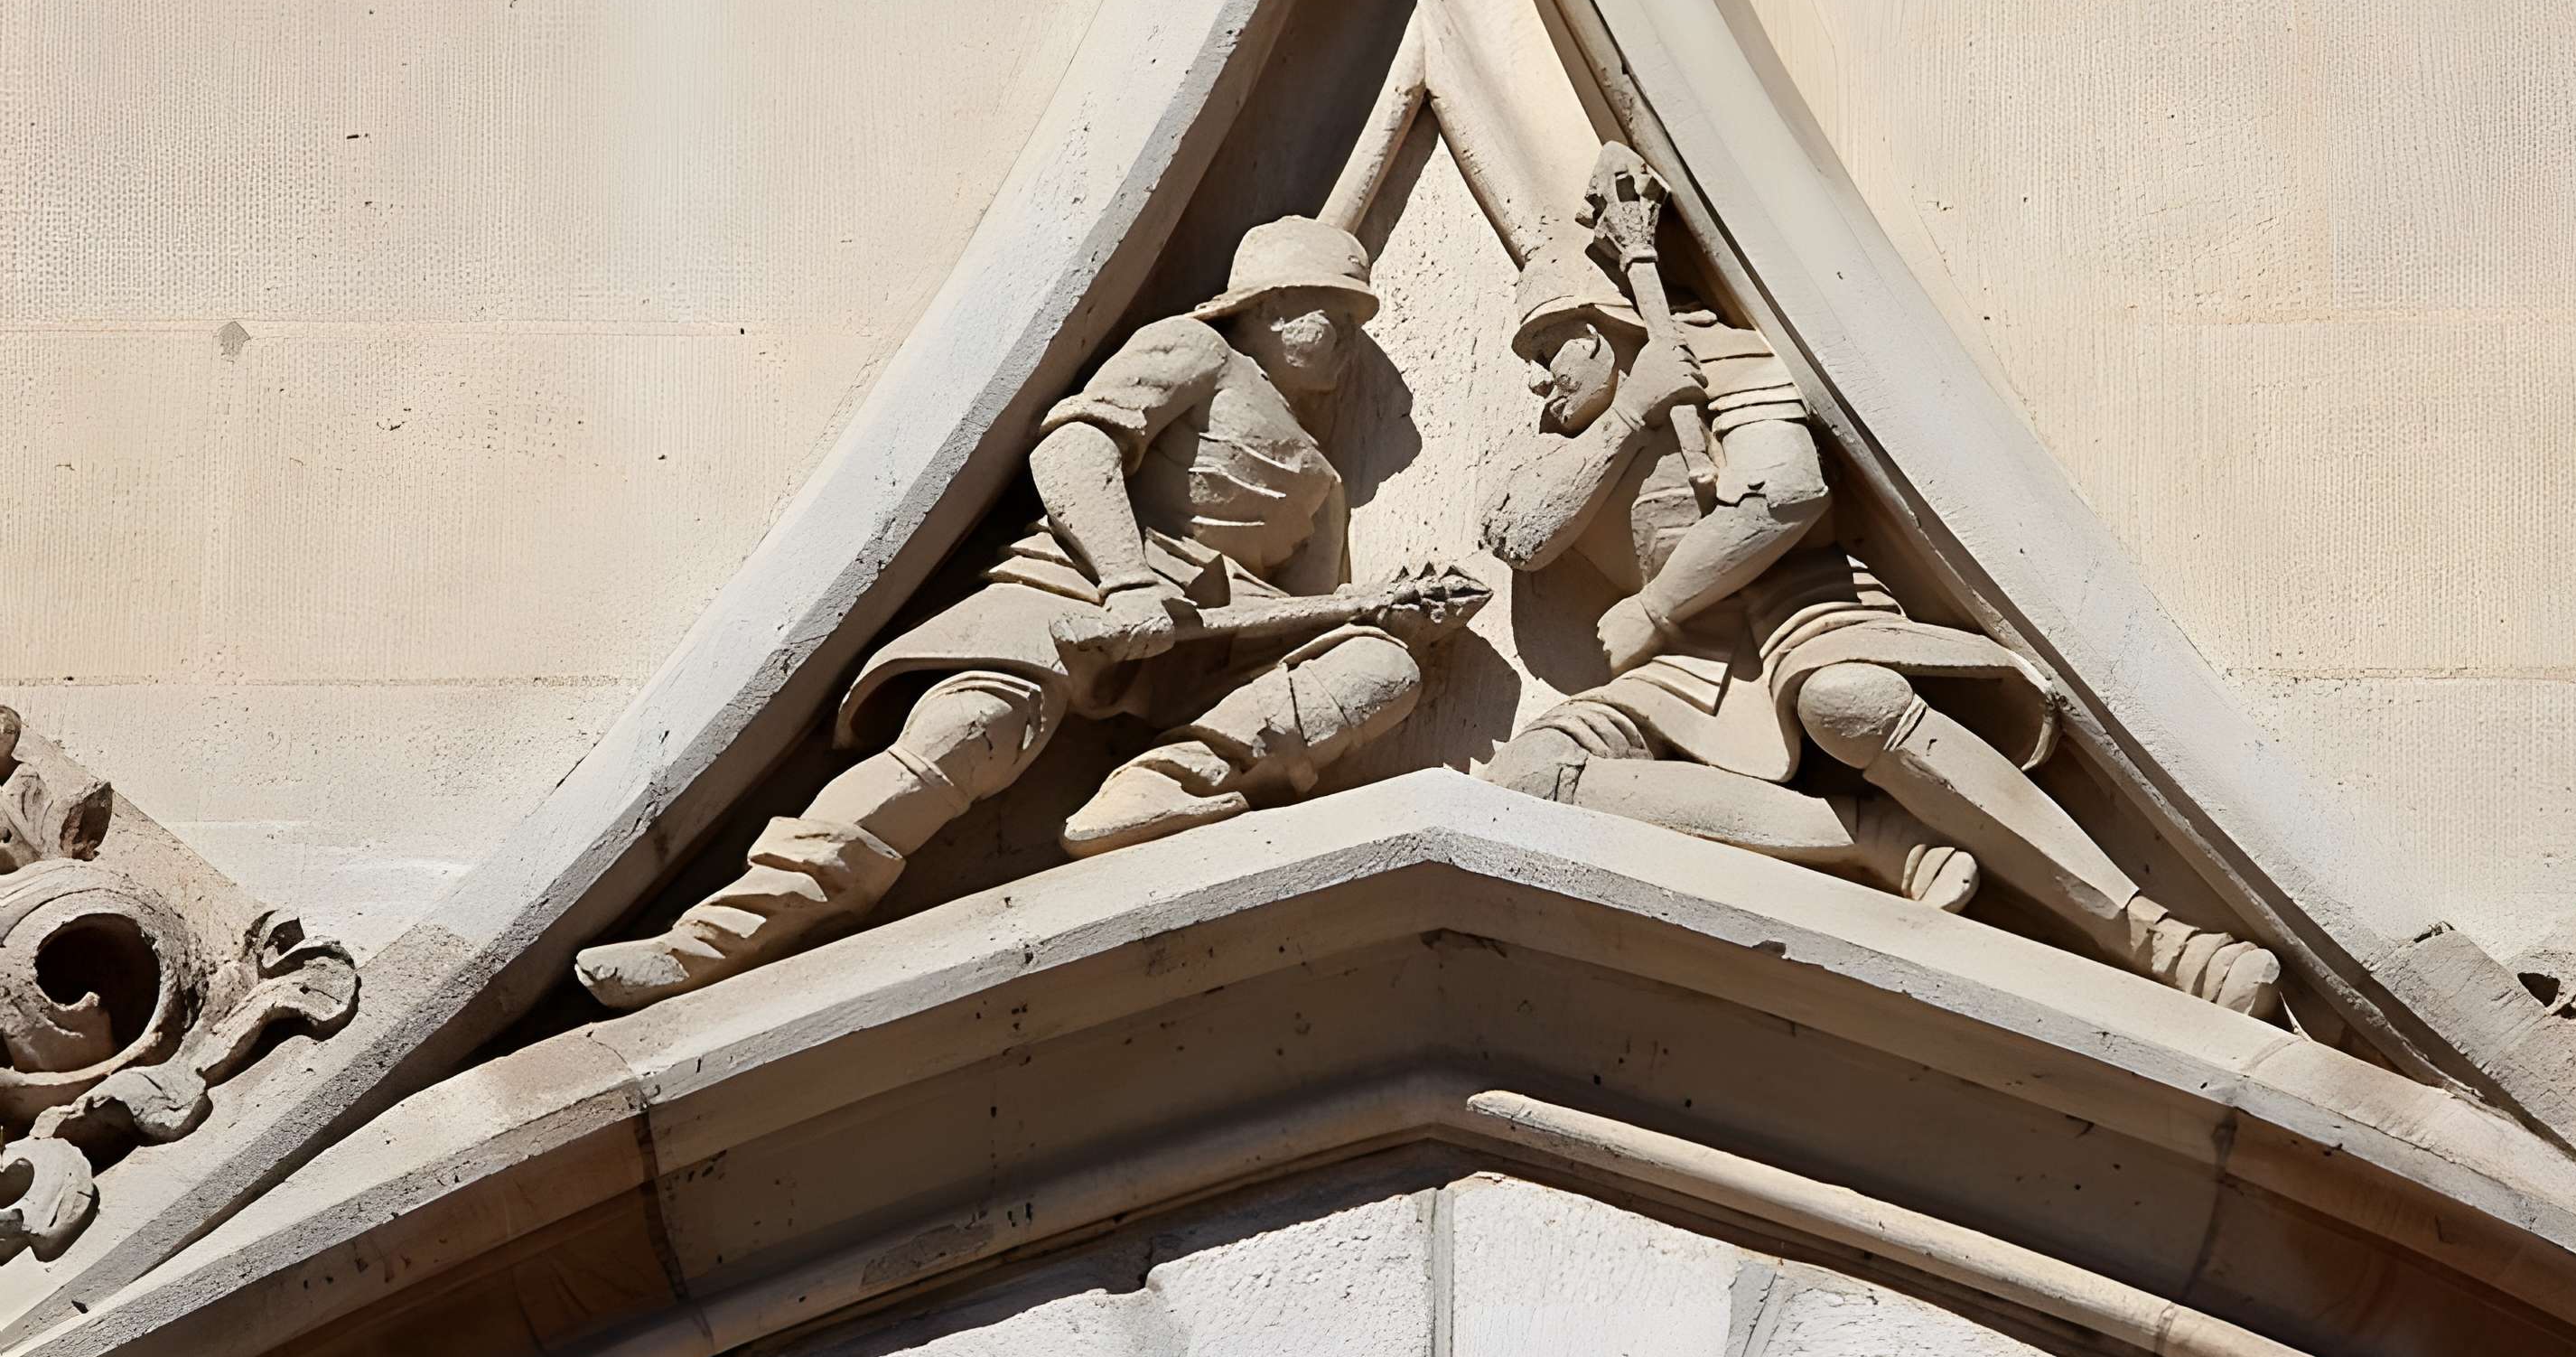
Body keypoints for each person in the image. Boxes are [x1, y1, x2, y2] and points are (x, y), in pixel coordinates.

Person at [578, 216, 1445, 1011]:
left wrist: (1388, 618)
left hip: (1193, 658)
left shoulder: (1322, 484)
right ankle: (714, 940)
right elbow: (1077, 447)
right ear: (1277, 306)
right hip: (1072, 593)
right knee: (970, 733)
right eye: (1340, 316)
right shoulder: (1194, 351)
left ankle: (1153, 789)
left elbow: (1299, 629)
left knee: (1381, 666)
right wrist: (1127, 580)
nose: (1350, 345)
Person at [1477, 237, 2281, 1018]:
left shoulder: (1721, 358)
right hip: (1681, 664)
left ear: (1598, 330)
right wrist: (1628, 413)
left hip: (1798, 611)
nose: (1539, 381)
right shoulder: (1575, 435)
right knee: (1531, 776)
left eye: (1550, 349)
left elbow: (1784, 496)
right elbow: (1519, 532)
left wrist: (1657, 604)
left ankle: (2160, 940)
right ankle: (1869, 836)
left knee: (1848, 700)